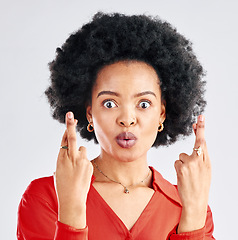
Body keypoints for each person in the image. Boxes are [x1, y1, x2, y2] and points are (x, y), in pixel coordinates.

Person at [17, 12, 215, 240]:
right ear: (90, 114)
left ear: (161, 113)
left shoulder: (191, 204)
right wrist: (71, 213)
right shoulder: (46, 197)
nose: (127, 119)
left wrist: (193, 217)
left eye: (143, 103)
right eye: (110, 103)